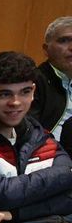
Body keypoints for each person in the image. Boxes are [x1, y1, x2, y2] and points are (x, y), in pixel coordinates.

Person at [0, 51, 72, 223]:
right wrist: (65, 174)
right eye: (5, 94)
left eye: (25, 92)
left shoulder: (37, 134)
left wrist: (16, 213)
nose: (16, 102)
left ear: (33, 92)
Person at [31, 16, 72, 147]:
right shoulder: (34, 81)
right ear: (46, 49)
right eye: (64, 40)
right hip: (50, 154)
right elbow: (29, 132)